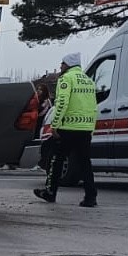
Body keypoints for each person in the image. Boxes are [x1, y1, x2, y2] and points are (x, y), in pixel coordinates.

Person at [33, 53, 98, 207]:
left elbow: (62, 103)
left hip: (68, 128)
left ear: (68, 64)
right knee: (85, 163)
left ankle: (50, 192)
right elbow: (93, 106)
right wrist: (91, 128)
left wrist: (55, 125)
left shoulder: (66, 79)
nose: (61, 66)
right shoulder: (88, 81)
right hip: (85, 128)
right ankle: (91, 196)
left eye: (62, 63)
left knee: (56, 160)